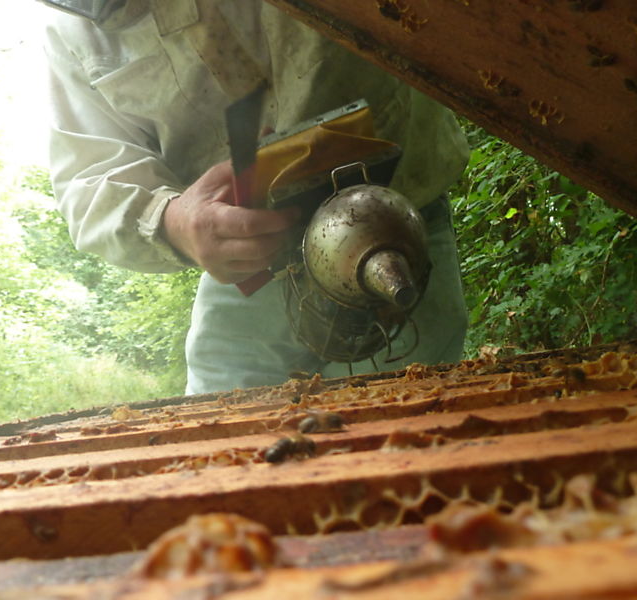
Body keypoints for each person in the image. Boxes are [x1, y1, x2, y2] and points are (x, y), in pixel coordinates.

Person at [41, 0, 470, 395]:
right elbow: (89, 175)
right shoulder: (70, 32)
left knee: (402, 422)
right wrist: (175, 222)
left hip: (396, 225)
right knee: (221, 433)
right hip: (255, 263)